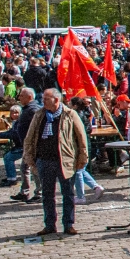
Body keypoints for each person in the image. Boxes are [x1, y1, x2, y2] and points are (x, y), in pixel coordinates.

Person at [22, 89, 89, 237]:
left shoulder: (70, 115)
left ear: (56, 100)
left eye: (47, 98)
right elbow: (30, 137)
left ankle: (68, 224)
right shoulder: (39, 115)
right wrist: (29, 157)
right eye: (43, 98)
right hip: (44, 160)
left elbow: (81, 137)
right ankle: (50, 224)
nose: (43, 101)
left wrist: (83, 158)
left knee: (68, 193)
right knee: (47, 194)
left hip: (64, 160)